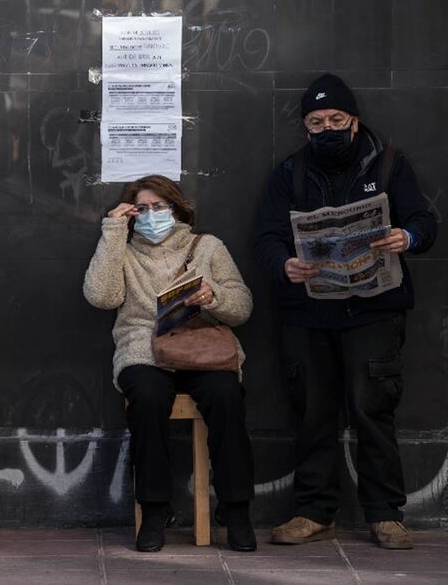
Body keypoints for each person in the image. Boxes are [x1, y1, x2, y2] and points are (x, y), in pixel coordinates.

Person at [255, 74, 437, 550]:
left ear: (354, 121)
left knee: (372, 409)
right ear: (305, 127)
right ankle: (314, 511)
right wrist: (285, 265)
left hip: (374, 309)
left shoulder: (391, 163)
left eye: (337, 119)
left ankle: (384, 515)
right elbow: (267, 237)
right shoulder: (288, 173)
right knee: (313, 412)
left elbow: (423, 221)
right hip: (309, 312)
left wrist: (407, 238)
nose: (327, 128)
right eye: (316, 122)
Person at [84, 175, 256, 553]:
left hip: (202, 348)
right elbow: (101, 296)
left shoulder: (207, 246)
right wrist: (114, 231)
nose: (150, 215)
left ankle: (236, 509)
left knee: (226, 395)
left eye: (158, 206)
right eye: (141, 209)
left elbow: (242, 306)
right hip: (144, 349)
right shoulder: (124, 250)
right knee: (146, 397)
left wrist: (213, 297)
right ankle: (155, 509)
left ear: (176, 208)